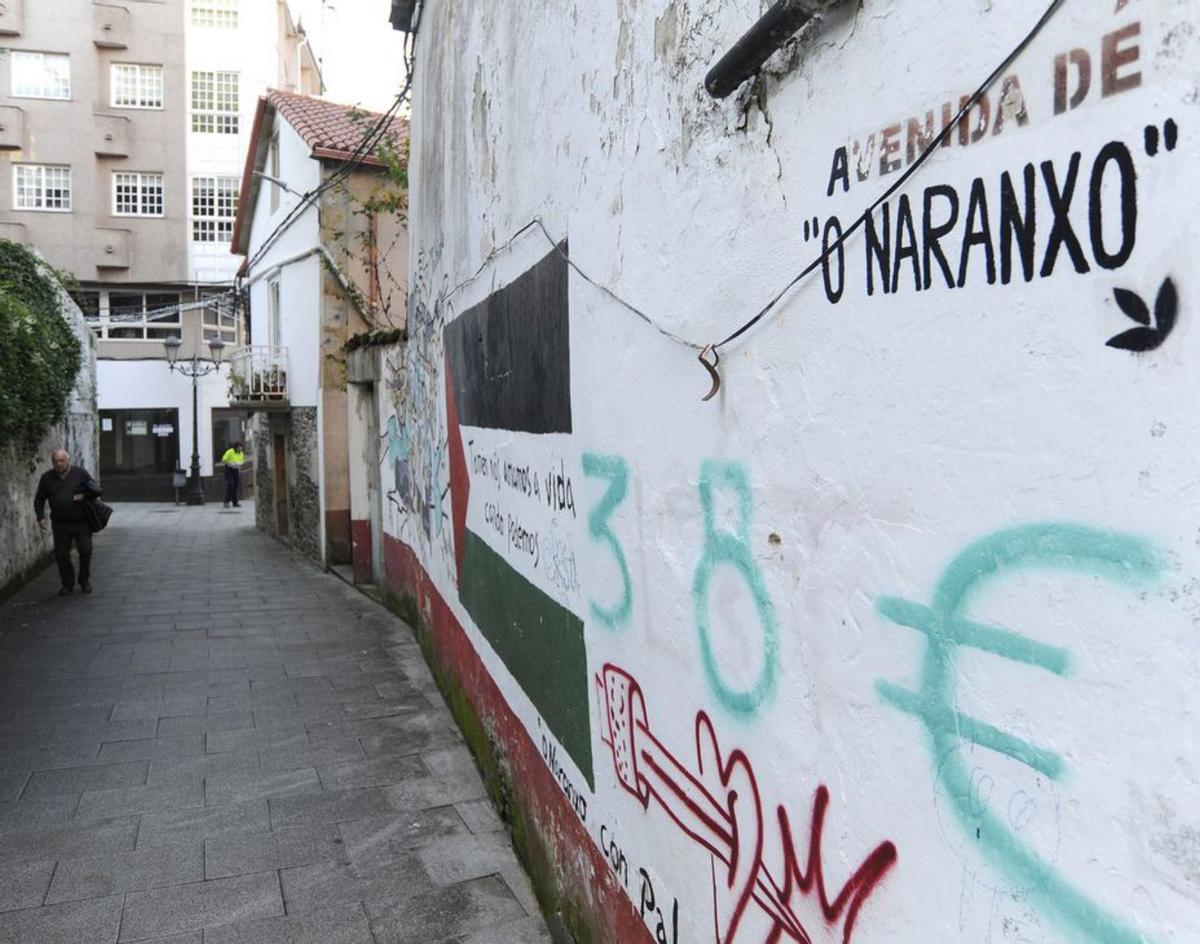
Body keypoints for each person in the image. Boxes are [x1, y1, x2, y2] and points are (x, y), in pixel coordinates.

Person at [34, 448, 100, 595]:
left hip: (82, 521)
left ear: (67, 460)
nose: (59, 464)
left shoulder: (80, 473)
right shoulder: (47, 478)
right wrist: (40, 517)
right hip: (60, 523)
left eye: (61, 460)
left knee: (85, 550)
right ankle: (67, 584)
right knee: (61, 555)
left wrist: (83, 496)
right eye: (55, 461)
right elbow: (39, 499)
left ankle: (84, 580)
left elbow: (95, 490)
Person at [221, 441, 246, 508]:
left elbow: (242, 461)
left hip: (236, 470)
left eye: (241, 447)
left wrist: (239, 464)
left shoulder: (241, 454)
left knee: (235, 486)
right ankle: (226, 501)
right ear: (235, 447)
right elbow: (223, 459)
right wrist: (230, 462)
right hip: (229, 469)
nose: (240, 448)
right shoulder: (230, 451)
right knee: (230, 485)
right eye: (239, 447)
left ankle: (235, 502)